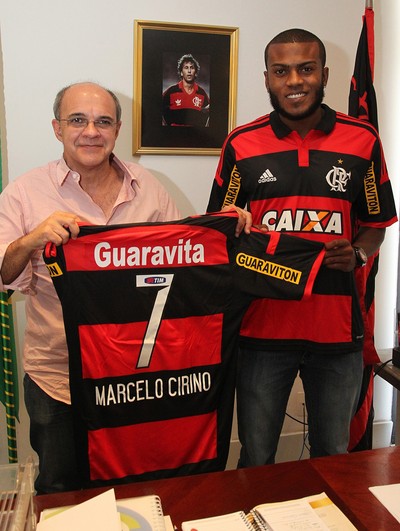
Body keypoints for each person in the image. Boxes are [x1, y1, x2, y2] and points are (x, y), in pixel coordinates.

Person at [0, 81, 250, 494]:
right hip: (57, 378)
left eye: (103, 121)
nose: (91, 131)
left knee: (134, 486)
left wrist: (224, 228)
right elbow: (4, 275)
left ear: (117, 129)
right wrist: (31, 241)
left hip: (135, 380)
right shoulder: (25, 193)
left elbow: (183, 258)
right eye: (77, 120)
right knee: (61, 490)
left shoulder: (148, 185)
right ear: (57, 128)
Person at [207, 29, 397, 467]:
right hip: (261, 327)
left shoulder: (362, 140)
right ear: (268, 79)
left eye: (306, 69)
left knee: (334, 456)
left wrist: (360, 254)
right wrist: (237, 228)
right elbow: (220, 225)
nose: (295, 80)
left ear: (324, 74)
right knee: (257, 455)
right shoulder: (241, 143)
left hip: (336, 330)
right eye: (282, 71)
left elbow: (375, 224)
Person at [162, 53, 210, 127]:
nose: (189, 71)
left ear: (196, 73)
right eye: (186, 68)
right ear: (181, 72)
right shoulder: (171, 91)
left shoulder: (202, 93)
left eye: (192, 68)